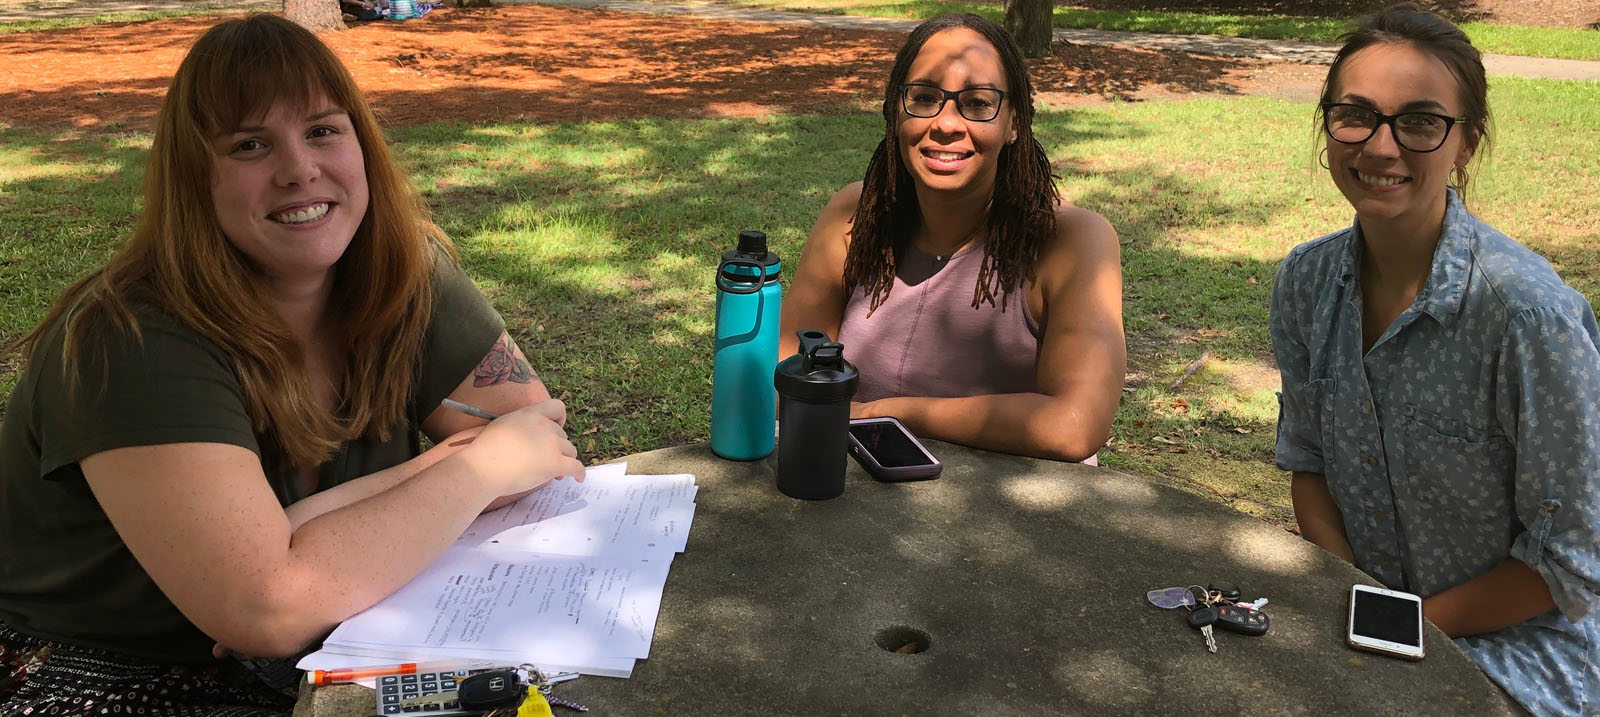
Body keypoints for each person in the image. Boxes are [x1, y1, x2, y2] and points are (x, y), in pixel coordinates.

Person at [0, 14, 585, 715]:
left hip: (336, 639)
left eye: (322, 130)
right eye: (250, 144)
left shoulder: (404, 270)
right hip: (99, 669)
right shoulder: (128, 339)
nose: (298, 169)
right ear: (195, 180)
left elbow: (538, 437)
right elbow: (268, 607)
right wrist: (477, 466)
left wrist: (306, 541)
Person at [1271, 3, 1600, 713]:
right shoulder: (1305, 282)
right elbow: (1309, 461)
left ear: (1467, 143)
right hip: (1364, 628)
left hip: (1525, 655)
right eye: (1355, 114)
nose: (1381, 147)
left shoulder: (1528, 316)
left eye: (1420, 121)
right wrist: (1358, 607)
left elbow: (1571, 561)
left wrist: (1405, 632)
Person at [780, 14, 1125, 463]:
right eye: (923, 98)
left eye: (978, 103)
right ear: (894, 112)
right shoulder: (856, 217)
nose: (945, 124)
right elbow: (782, 371)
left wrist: (881, 413)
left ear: (1014, 123)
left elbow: (1074, 425)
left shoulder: (1071, 241)